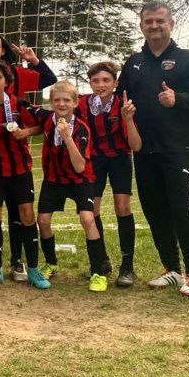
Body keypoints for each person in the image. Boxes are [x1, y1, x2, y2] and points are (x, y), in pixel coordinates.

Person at [118, 1, 189, 297]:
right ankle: (171, 268)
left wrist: (179, 99)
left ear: (171, 24)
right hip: (144, 151)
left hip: (177, 148)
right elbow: (122, 100)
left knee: (182, 209)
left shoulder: (188, 60)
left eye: (160, 21)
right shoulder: (133, 61)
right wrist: (124, 113)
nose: (154, 26)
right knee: (155, 210)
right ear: (141, 26)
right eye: (149, 21)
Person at [0, 60, 45, 292]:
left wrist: (26, 131)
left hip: (19, 169)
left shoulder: (19, 103)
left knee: (26, 215)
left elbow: (43, 125)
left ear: (6, 80)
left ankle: (33, 268)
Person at [32, 81, 108, 292]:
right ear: (51, 103)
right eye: (57, 100)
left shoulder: (82, 129)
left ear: (75, 103)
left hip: (79, 180)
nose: (61, 103)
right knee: (43, 220)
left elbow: (80, 166)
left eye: (66, 100)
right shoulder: (48, 118)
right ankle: (51, 262)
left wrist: (66, 137)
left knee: (87, 218)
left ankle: (98, 272)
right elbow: (23, 105)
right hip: (54, 179)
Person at [73, 62, 143, 287]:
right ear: (90, 83)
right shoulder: (82, 103)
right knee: (91, 209)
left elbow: (136, 145)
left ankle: (127, 267)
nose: (100, 85)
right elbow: (60, 104)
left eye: (105, 80)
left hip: (120, 158)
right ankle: (101, 261)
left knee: (122, 207)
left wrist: (128, 119)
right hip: (94, 160)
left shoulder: (124, 106)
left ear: (115, 83)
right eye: (95, 81)